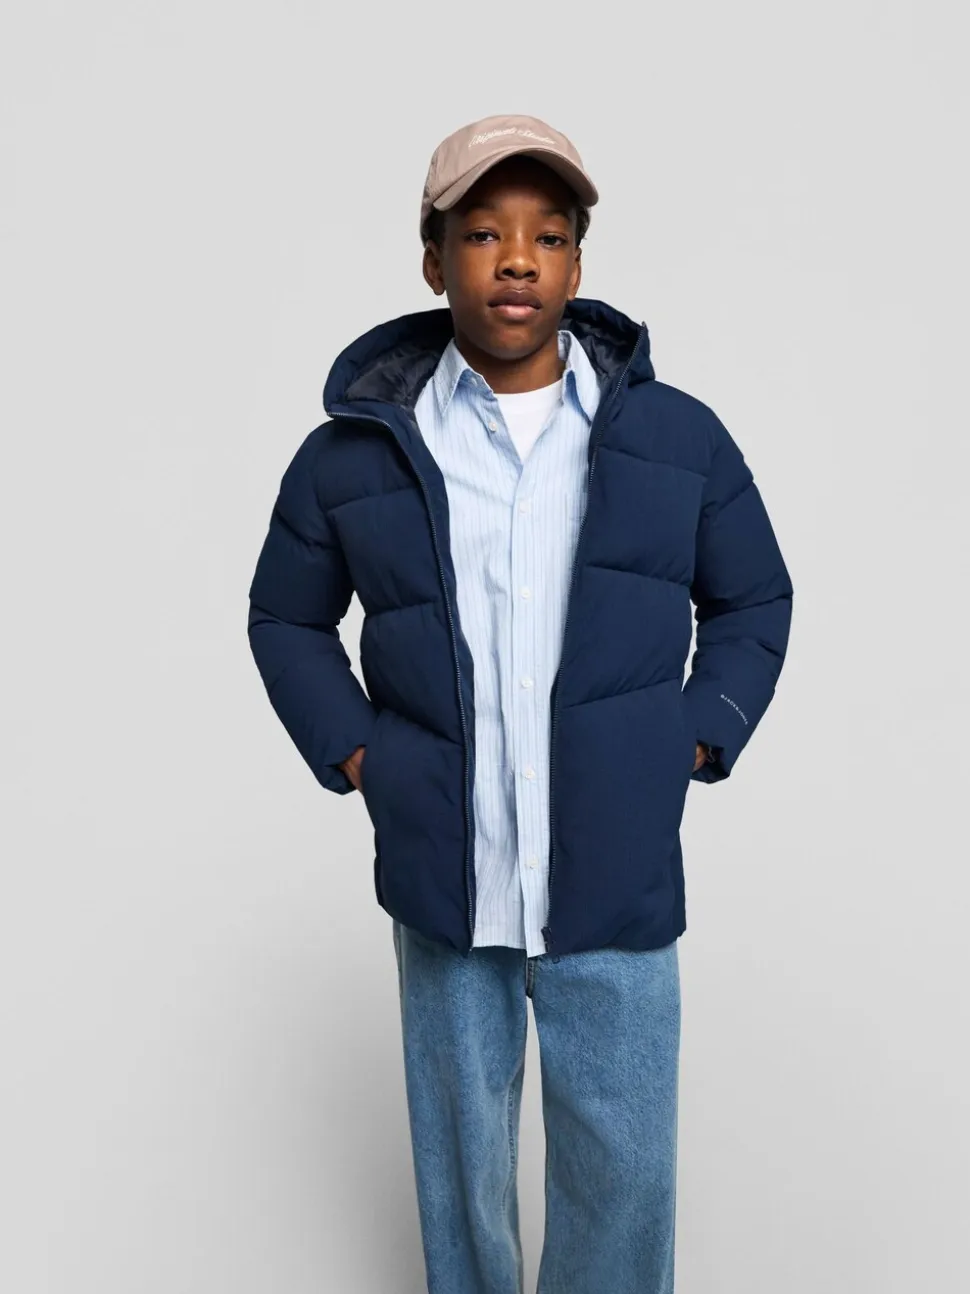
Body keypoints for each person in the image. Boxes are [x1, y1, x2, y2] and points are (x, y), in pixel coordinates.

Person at [247, 113, 793, 1294]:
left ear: (577, 265)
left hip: (619, 870)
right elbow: (285, 618)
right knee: (463, 1180)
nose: (515, 259)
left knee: (624, 1177)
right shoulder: (357, 454)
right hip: (446, 875)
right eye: (483, 233)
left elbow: (753, 598)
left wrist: (694, 735)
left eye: (547, 236)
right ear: (433, 257)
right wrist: (362, 756)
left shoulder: (677, 439)